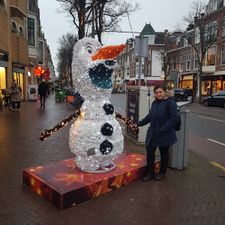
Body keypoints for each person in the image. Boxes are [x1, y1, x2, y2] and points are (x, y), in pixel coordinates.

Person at [137, 85, 179, 181]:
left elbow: (174, 118)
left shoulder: (170, 103)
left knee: (164, 154)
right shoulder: (155, 103)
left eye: (160, 92)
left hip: (164, 134)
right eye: (156, 92)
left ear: (164, 92)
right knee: (150, 153)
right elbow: (150, 116)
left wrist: (163, 129)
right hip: (153, 133)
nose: (158, 94)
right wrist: (140, 123)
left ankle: (162, 173)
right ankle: (150, 173)